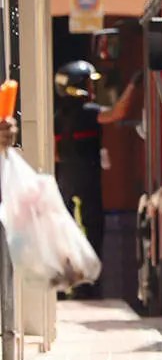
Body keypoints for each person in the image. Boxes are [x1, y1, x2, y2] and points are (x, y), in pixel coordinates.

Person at [54, 60, 108, 299]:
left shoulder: (57, 118)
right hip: (85, 185)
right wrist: (134, 88)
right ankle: (85, 285)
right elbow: (117, 113)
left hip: (66, 183)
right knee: (90, 229)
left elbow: (55, 154)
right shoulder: (89, 113)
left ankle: (70, 284)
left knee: (69, 232)